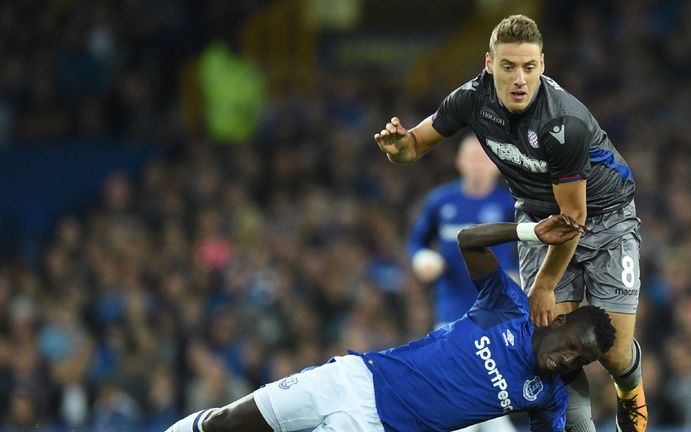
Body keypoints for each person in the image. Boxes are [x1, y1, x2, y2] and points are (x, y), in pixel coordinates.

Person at [374, 14, 646, 432]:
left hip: (606, 219)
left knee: (613, 352)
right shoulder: (470, 99)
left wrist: (545, 284)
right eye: (508, 66)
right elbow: (413, 146)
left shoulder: (563, 124)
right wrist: (397, 148)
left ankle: (630, 386)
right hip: (540, 216)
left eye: (529, 67)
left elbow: (574, 219)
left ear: (542, 65)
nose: (519, 78)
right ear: (488, 64)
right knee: (557, 336)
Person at [165, 215, 616, 432]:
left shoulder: (549, 398)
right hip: (351, 376)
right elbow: (467, 240)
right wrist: (528, 231)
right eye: (574, 344)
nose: (569, 358)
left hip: (375, 429)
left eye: (583, 359)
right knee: (228, 424)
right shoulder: (509, 306)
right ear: (561, 320)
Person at [408, 133, 520, 432]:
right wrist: (422, 260)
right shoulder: (440, 201)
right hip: (450, 318)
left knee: (484, 404)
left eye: (484, 157)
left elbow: (531, 250)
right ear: (459, 162)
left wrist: (519, 275)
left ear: (496, 164)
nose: (478, 164)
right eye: (471, 157)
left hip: (495, 320)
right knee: (469, 404)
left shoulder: (509, 205)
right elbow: (416, 242)